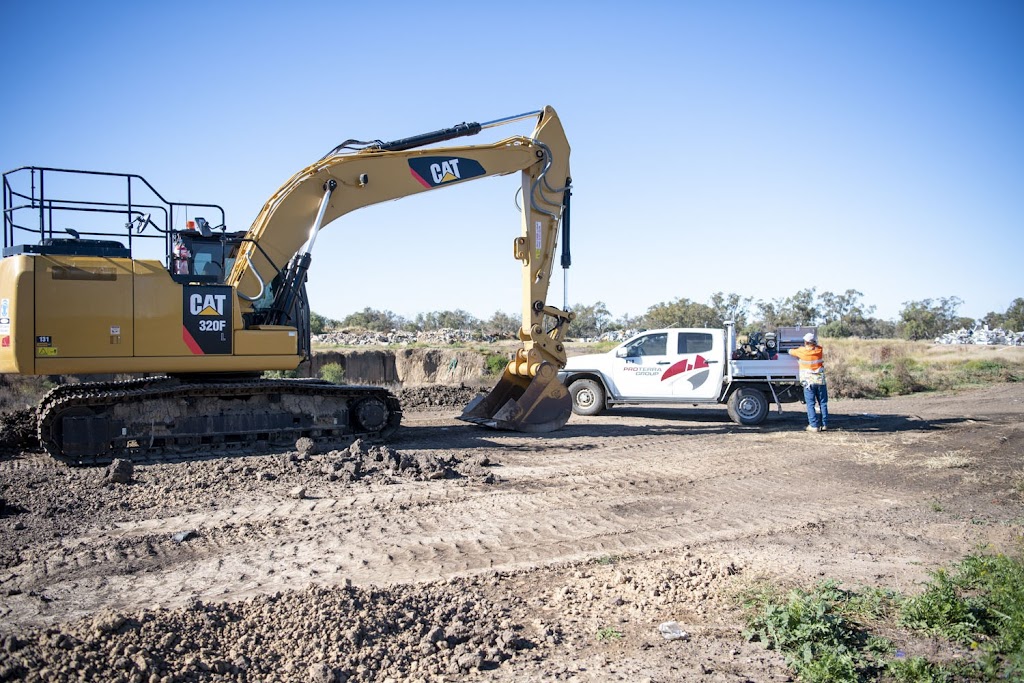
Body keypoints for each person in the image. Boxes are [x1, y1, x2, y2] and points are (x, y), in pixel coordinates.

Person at [789, 332, 828, 432]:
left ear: (805, 342)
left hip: (808, 381)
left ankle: (813, 425)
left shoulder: (801, 351)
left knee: (810, 404)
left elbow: (790, 351)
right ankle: (825, 424)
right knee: (823, 403)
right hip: (820, 380)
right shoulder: (819, 350)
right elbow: (817, 346)